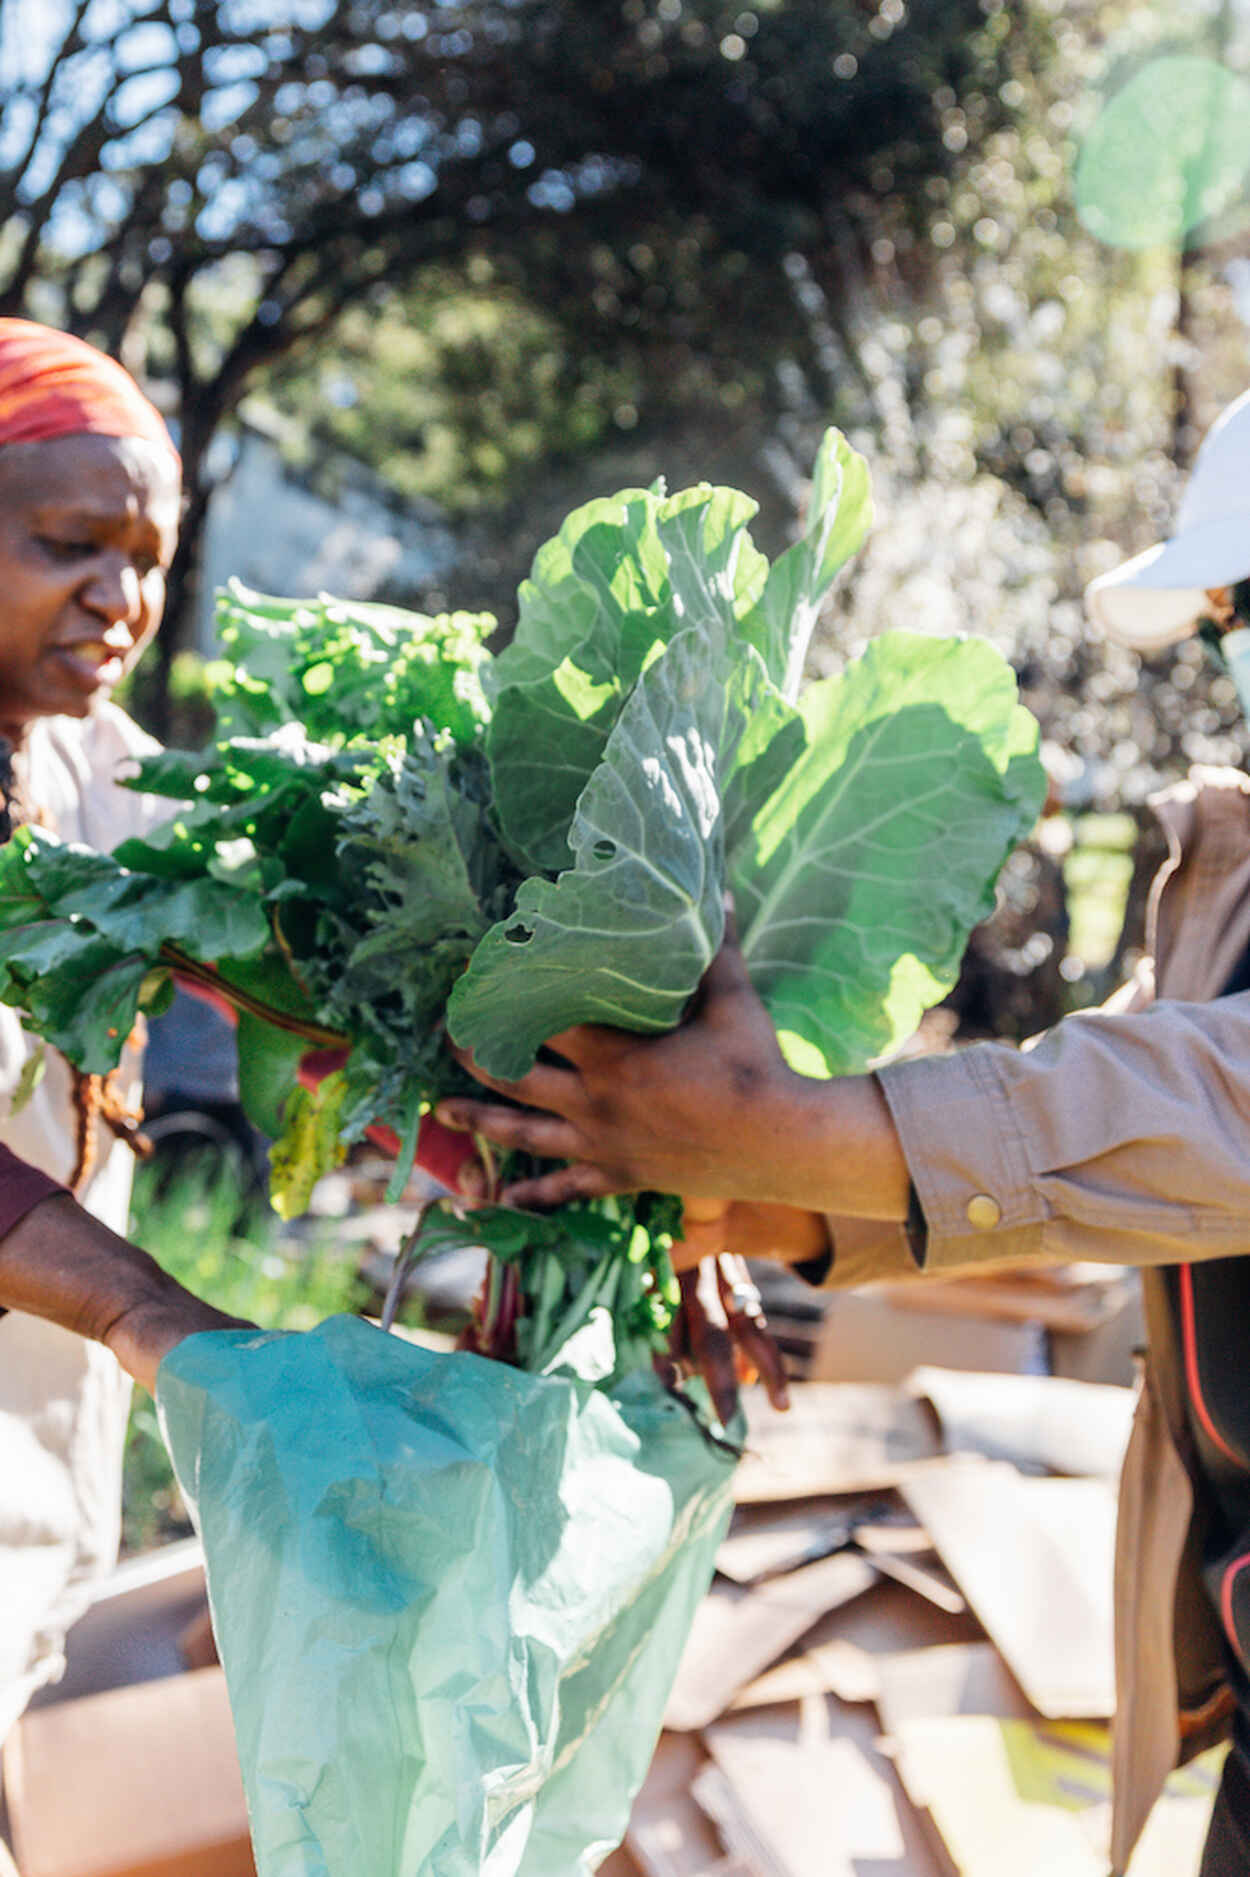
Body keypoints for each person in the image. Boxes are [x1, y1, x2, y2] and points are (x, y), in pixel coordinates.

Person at [438, 387, 1250, 1876]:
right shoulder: (1237, 886)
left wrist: (780, 1131)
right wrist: (749, 1200)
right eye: (1224, 623)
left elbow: (1209, 1109)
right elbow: (1100, 1169)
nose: (1233, 657)